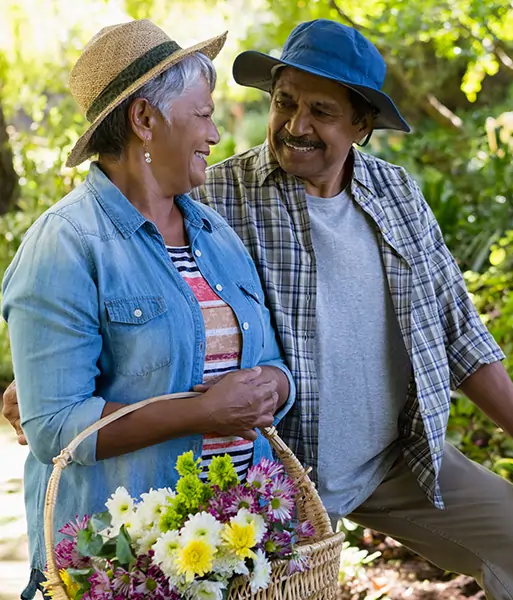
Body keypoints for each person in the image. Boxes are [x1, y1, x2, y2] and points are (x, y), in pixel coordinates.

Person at [3, 17, 513, 600]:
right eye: (284, 103)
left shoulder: (396, 196)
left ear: (361, 125)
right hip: (283, 471)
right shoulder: (214, 196)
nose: (295, 125)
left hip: (389, 456)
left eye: (322, 112)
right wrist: (43, 387)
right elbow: (120, 224)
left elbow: (458, 329)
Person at [1, 20, 295, 600]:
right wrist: (202, 413)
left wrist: (272, 389)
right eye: (204, 114)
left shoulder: (214, 235)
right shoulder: (66, 243)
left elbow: (273, 364)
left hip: (235, 553)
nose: (215, 133)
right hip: (122, 566)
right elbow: (56, 427)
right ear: (144, 121)